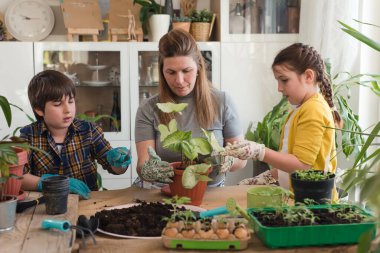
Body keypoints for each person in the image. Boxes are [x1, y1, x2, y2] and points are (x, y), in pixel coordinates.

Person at [222, 43, 342, 200]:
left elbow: (301, 165)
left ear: (308, 76)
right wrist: (268, 177)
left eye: (284, 80)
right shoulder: (302, 108)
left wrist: (260, 151)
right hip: (301, 199)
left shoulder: (314, 109)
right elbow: (292, 158)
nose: (279, 88)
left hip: (315, 204)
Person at [134, 29, 247, 188]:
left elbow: (242, 159)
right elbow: (142, 162)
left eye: (186, 71)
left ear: (199, 67)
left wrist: (229, 160)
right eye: (171, 72)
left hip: (212, 192)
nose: (179, 80)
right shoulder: (149, 108)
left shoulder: (223, 101)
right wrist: (147, 170)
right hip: (162, 193)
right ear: (162, 72)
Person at [20, 70, 131, 199]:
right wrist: (50, 183)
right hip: (45, 206)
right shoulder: (28, 135)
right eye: (57, 104)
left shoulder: (89, 130)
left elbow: (115, 169)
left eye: (71, 101)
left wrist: (119, 161)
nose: (68, 110)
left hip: (86, 203)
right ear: (38, 109)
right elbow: (18, 177)